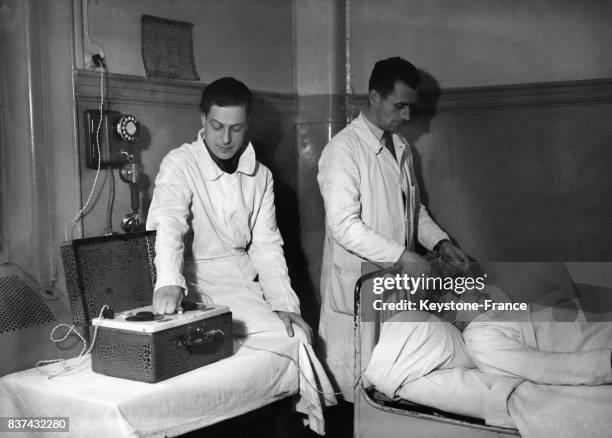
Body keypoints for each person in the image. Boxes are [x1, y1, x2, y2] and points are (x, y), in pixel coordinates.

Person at [146, 77, 335, 432]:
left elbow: (266, 245)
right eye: (217, 127)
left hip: (239, 281)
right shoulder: (180, 164)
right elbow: (168, 224)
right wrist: (170, 281)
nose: (226, 139)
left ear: (247, 125)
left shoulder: (260, 176)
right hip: (192, 283)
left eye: (235, 128)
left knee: (293, 338)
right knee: (208, 362)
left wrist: (284, 304)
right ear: (202, 120)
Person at [317, 57, 470, 401]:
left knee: (389, 380)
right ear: (374, 96)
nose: (407, 116)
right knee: (354, 388)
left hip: (394, 281)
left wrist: (440, 242)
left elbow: (413, 210)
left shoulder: (400, 146)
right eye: (399, 106)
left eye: (410, 107)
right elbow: (344, 226)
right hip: (359, 282)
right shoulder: (342, 151)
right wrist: (402, 255)